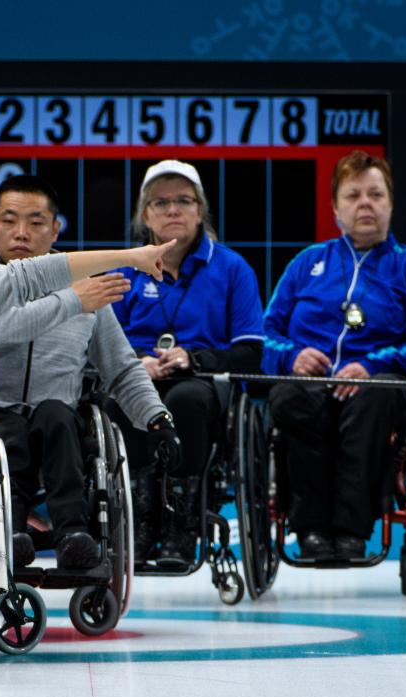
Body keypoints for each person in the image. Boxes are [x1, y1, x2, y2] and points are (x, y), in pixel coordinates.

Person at [0, 174, 180, 571]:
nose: (21, 232)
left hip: (57, 424)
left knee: (57, 415)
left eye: (36, 222)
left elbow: (121, 368)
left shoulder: (86, 288)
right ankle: (12, 533)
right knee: (8, 433)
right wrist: (71, 301)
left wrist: (156, 417)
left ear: (55, 229)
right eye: (9, 220)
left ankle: (74, 534)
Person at [262, 150, 406, 561]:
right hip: (310, 384)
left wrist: (372, 365)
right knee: (291, 398)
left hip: (378, 386)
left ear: (390, 203)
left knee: (373, 399)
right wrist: (293, 356)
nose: (365, 203)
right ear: (335, 208)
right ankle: (310, 528)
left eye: (375, 194)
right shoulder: (305, 264)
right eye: (353, 196)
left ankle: (351, 529)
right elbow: (264, 337)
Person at [112, 160, 264, 568]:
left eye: (184, 201)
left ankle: (182, 526)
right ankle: (141, 521)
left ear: (201, 211)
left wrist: (194, 358)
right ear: (146, 215)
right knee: (122, 400)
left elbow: (251, 351)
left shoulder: (232, 269)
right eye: (161, 203)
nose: (173, 210)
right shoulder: (125, 269)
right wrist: (136, 361)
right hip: (137, 376)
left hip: (201, 380)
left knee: (185, 400)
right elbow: (100, 342)